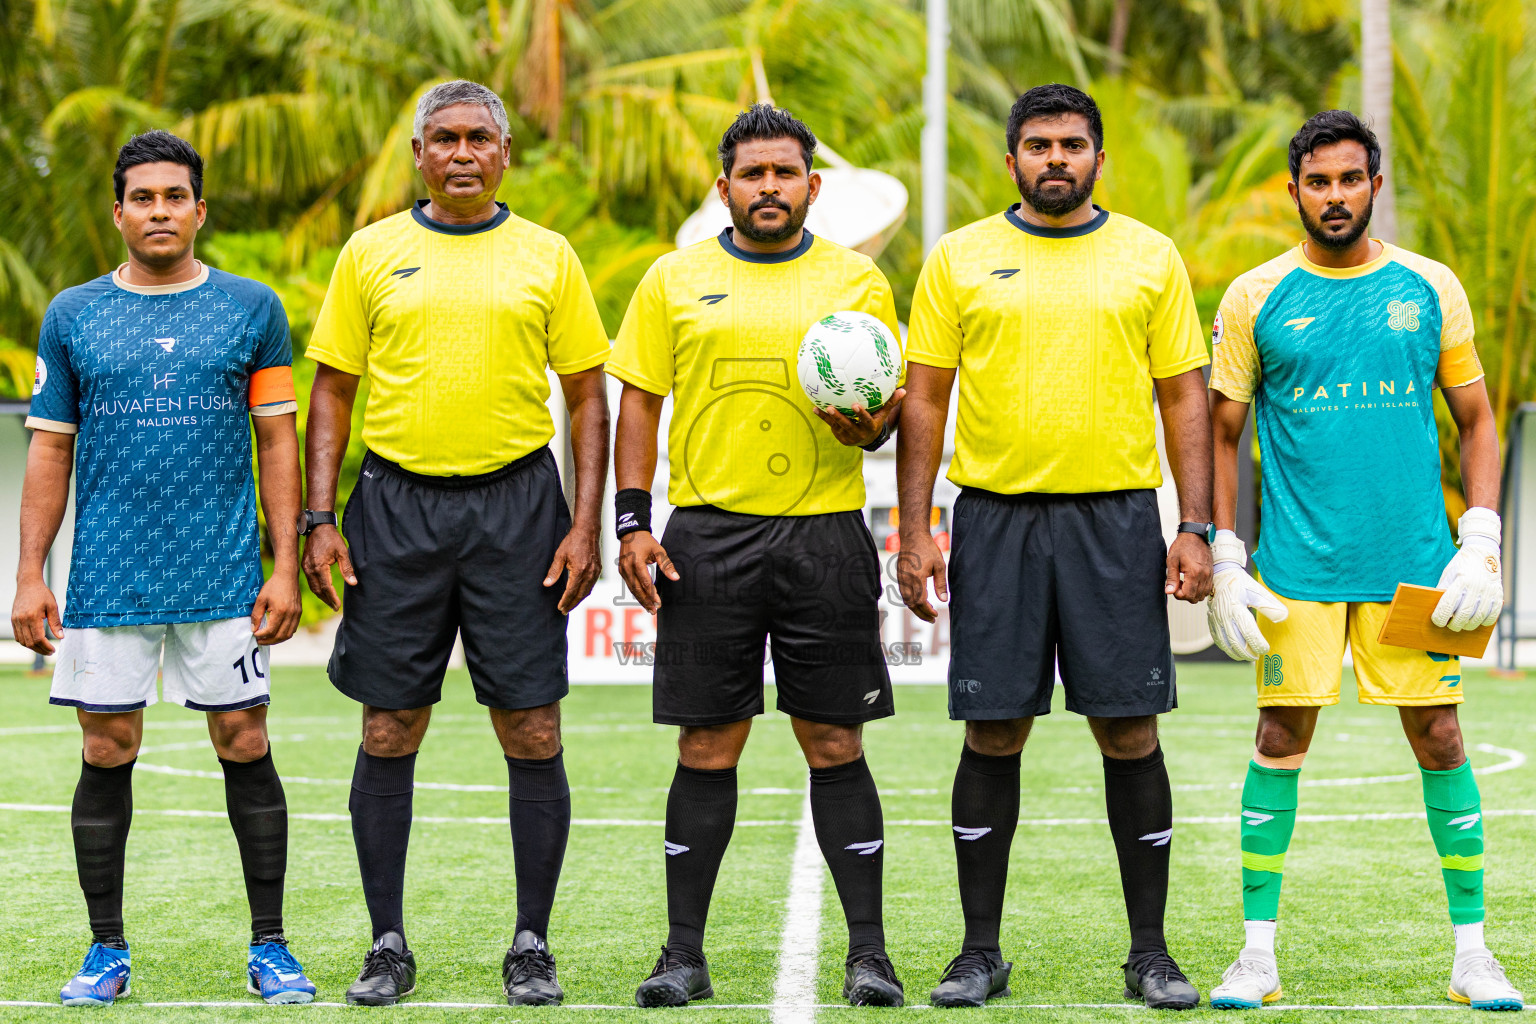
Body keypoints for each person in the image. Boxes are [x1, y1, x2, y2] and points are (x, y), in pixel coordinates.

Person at [898, 83, 1214, 1010]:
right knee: (994, 729)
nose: (1055, 160)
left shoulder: (1149, 258)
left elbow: (1184, 398)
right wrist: (915, 530)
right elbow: (924, 397)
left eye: (1072, 145)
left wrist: (1193, 524)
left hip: (1115, 520)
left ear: (1099, 159)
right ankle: (978, 951)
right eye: (1038, 145)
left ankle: (1149, 952)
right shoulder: (960, 257)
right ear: (1010, 161)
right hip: (995, 519)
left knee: (1129, 728)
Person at [301, 80, 610, 1007]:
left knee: (532, 726)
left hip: (519, 508)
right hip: (395, 510)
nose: (463, 153)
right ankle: (387, 942)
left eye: (481, 137)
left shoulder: (548, 257)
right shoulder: (371, 253)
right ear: (420, 154)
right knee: (390, 724)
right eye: (445, 139)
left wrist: (585, 524)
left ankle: (531, 942)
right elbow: (331, 393)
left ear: (506, 153)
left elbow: (589, 397)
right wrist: (320, 518)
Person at [1205, 110, 1522, 1012]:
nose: (1335, 195)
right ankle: (1256, 956)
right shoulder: (1254, 295)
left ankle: (1473, 954)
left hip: (1417, 568)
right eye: (1318, 181)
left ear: (1374, 184)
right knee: (1279, 739)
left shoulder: (1431, 286)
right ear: (1294, 190)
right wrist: (1228, 553)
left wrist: (1484, 536)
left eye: (1351, 179)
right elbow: (1223, 432)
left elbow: (1477, 418)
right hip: (1294, 570)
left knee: (1441, 739)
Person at [609, 103, 906, 1008]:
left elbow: (887, 408)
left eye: (786, 173)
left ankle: (869, 954)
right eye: (753, 173)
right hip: (708, 536)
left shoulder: (859, 282)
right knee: (707, 744)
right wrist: (631, 521)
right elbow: (640, 404)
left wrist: (875, 422)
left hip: (825, 534)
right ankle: (681, 954)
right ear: (724, 187)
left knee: (834, 739)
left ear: (815, 186)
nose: (769, 187)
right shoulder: (672, 279)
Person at [11, 130, 312, 1006]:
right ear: (119, 212)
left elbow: (277, 441)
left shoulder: (252, 309)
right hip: (108, 575)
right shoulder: (72, 314)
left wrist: (283, 563)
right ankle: (105, 949)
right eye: (143, 198)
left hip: (221, 573)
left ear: (199, 210)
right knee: (108, 746)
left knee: (244, 739)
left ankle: (272, 947)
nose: (159, 211)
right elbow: (48, 452)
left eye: (174, 196)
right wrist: (31, 574)